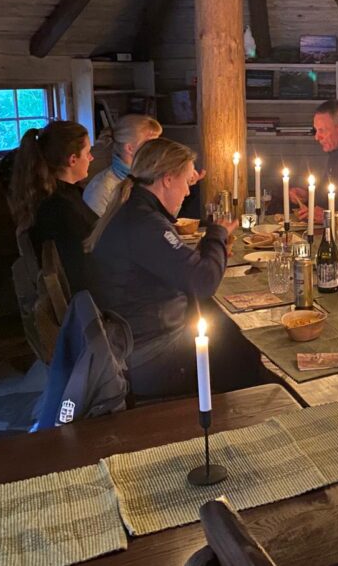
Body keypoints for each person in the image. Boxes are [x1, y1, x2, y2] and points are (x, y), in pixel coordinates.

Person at [87, 138, 254, 399]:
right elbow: (203, 283)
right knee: (245, 349)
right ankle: (243, 423)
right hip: (149, 358)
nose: (188, 192)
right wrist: (216, 235)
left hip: (133, 341)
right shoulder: (144, 223)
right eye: (187, 182)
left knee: (224, 327)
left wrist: (209, 249)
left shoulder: (135, 210)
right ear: (167, 179)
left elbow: (171, 266)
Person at [10, 120, 97, 293]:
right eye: (88, 153)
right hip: (85, 298)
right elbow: (78, 268)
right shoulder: (58, 207)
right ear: (73, 159)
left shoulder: (62, 194)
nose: (91, 158)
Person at [83, 114, 162, 216]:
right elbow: (97, 231)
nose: (158, 150)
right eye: (151, 144)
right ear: (130, 148)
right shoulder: (100, 190)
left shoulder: (150, 178)